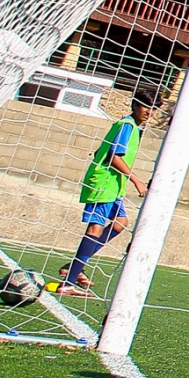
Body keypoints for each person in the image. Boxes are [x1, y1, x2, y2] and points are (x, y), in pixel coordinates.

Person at [58, 86, 157, 296]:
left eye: (153, 108)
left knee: (120, 222)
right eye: (146, 106)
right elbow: (114, 156)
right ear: (135, 105)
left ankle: (75, 266)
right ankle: (68, 282)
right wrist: (136, 181)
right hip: (104, 184)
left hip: (113, 185)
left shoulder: (132, 127)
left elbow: (100, 151)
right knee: (96, 228)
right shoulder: (126, 126)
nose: (149, 111)